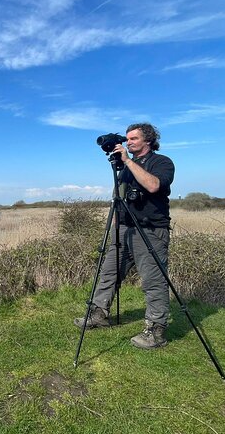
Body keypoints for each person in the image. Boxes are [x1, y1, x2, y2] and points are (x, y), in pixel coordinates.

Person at [74, 122, 175, 349]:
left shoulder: (162, 162)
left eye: (133, 139)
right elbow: (119, 196)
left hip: (150, 230)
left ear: (147, 140)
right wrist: (115, 228)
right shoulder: (125, 168)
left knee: (153, 280)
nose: (128, 143)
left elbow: (153, 185)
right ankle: (98, 314)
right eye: (127, 139)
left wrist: (128, 161)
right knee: (109, 272)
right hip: (124, 229)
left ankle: (156, 332)